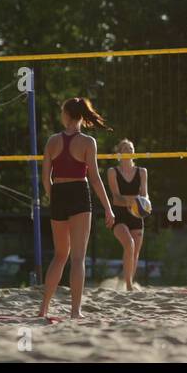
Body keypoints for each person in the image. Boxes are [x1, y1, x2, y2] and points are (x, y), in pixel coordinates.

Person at [38, 97, 115, 319]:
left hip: (59, 193)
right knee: (78, 258)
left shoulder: (52, 141)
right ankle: (75, 311)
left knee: (60, 255)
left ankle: (43, 309)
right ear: (81, 116)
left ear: (67, 115)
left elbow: (45, 178)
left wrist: (55, 198)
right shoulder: (88, 142)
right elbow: (95, 179)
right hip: (79, 194)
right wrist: (108, 209)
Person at [106, 139, 148, 290]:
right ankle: (129, 286)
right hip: (120, 215)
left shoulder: (142, 172)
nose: (127, 150)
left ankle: (126, 281)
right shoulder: (113, 172)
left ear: (133, 153)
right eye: (124, 148)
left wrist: (142, 202)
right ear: (119, 153)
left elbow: (145, 195)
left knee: (135, 251)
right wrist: (136, 201)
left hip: (137, 215)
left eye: (130, 148)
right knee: (129, 244)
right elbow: (116, 198)